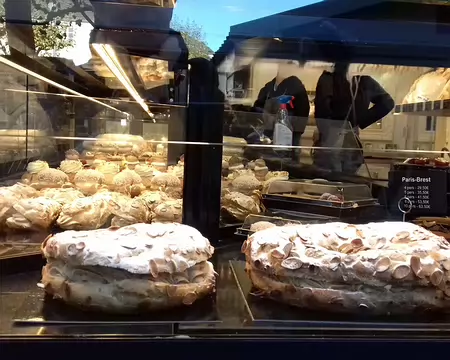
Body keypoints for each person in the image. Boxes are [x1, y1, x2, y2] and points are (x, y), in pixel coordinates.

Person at [314, 62, 394, 174]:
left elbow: (322, 108)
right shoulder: (365, 80)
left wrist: (325, 130)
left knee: (327, 178)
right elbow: (387, 103)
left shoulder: (328, 78)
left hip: (331, 136)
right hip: (352, 136)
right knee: (349, 179)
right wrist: (360, 120)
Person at [249, 59, 310, 161]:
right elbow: (258, 107)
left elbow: (303, 112)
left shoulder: (296, 86)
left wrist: (295, 133)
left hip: (288, 136)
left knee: (288, 163)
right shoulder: (269, 86)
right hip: (268, 134)